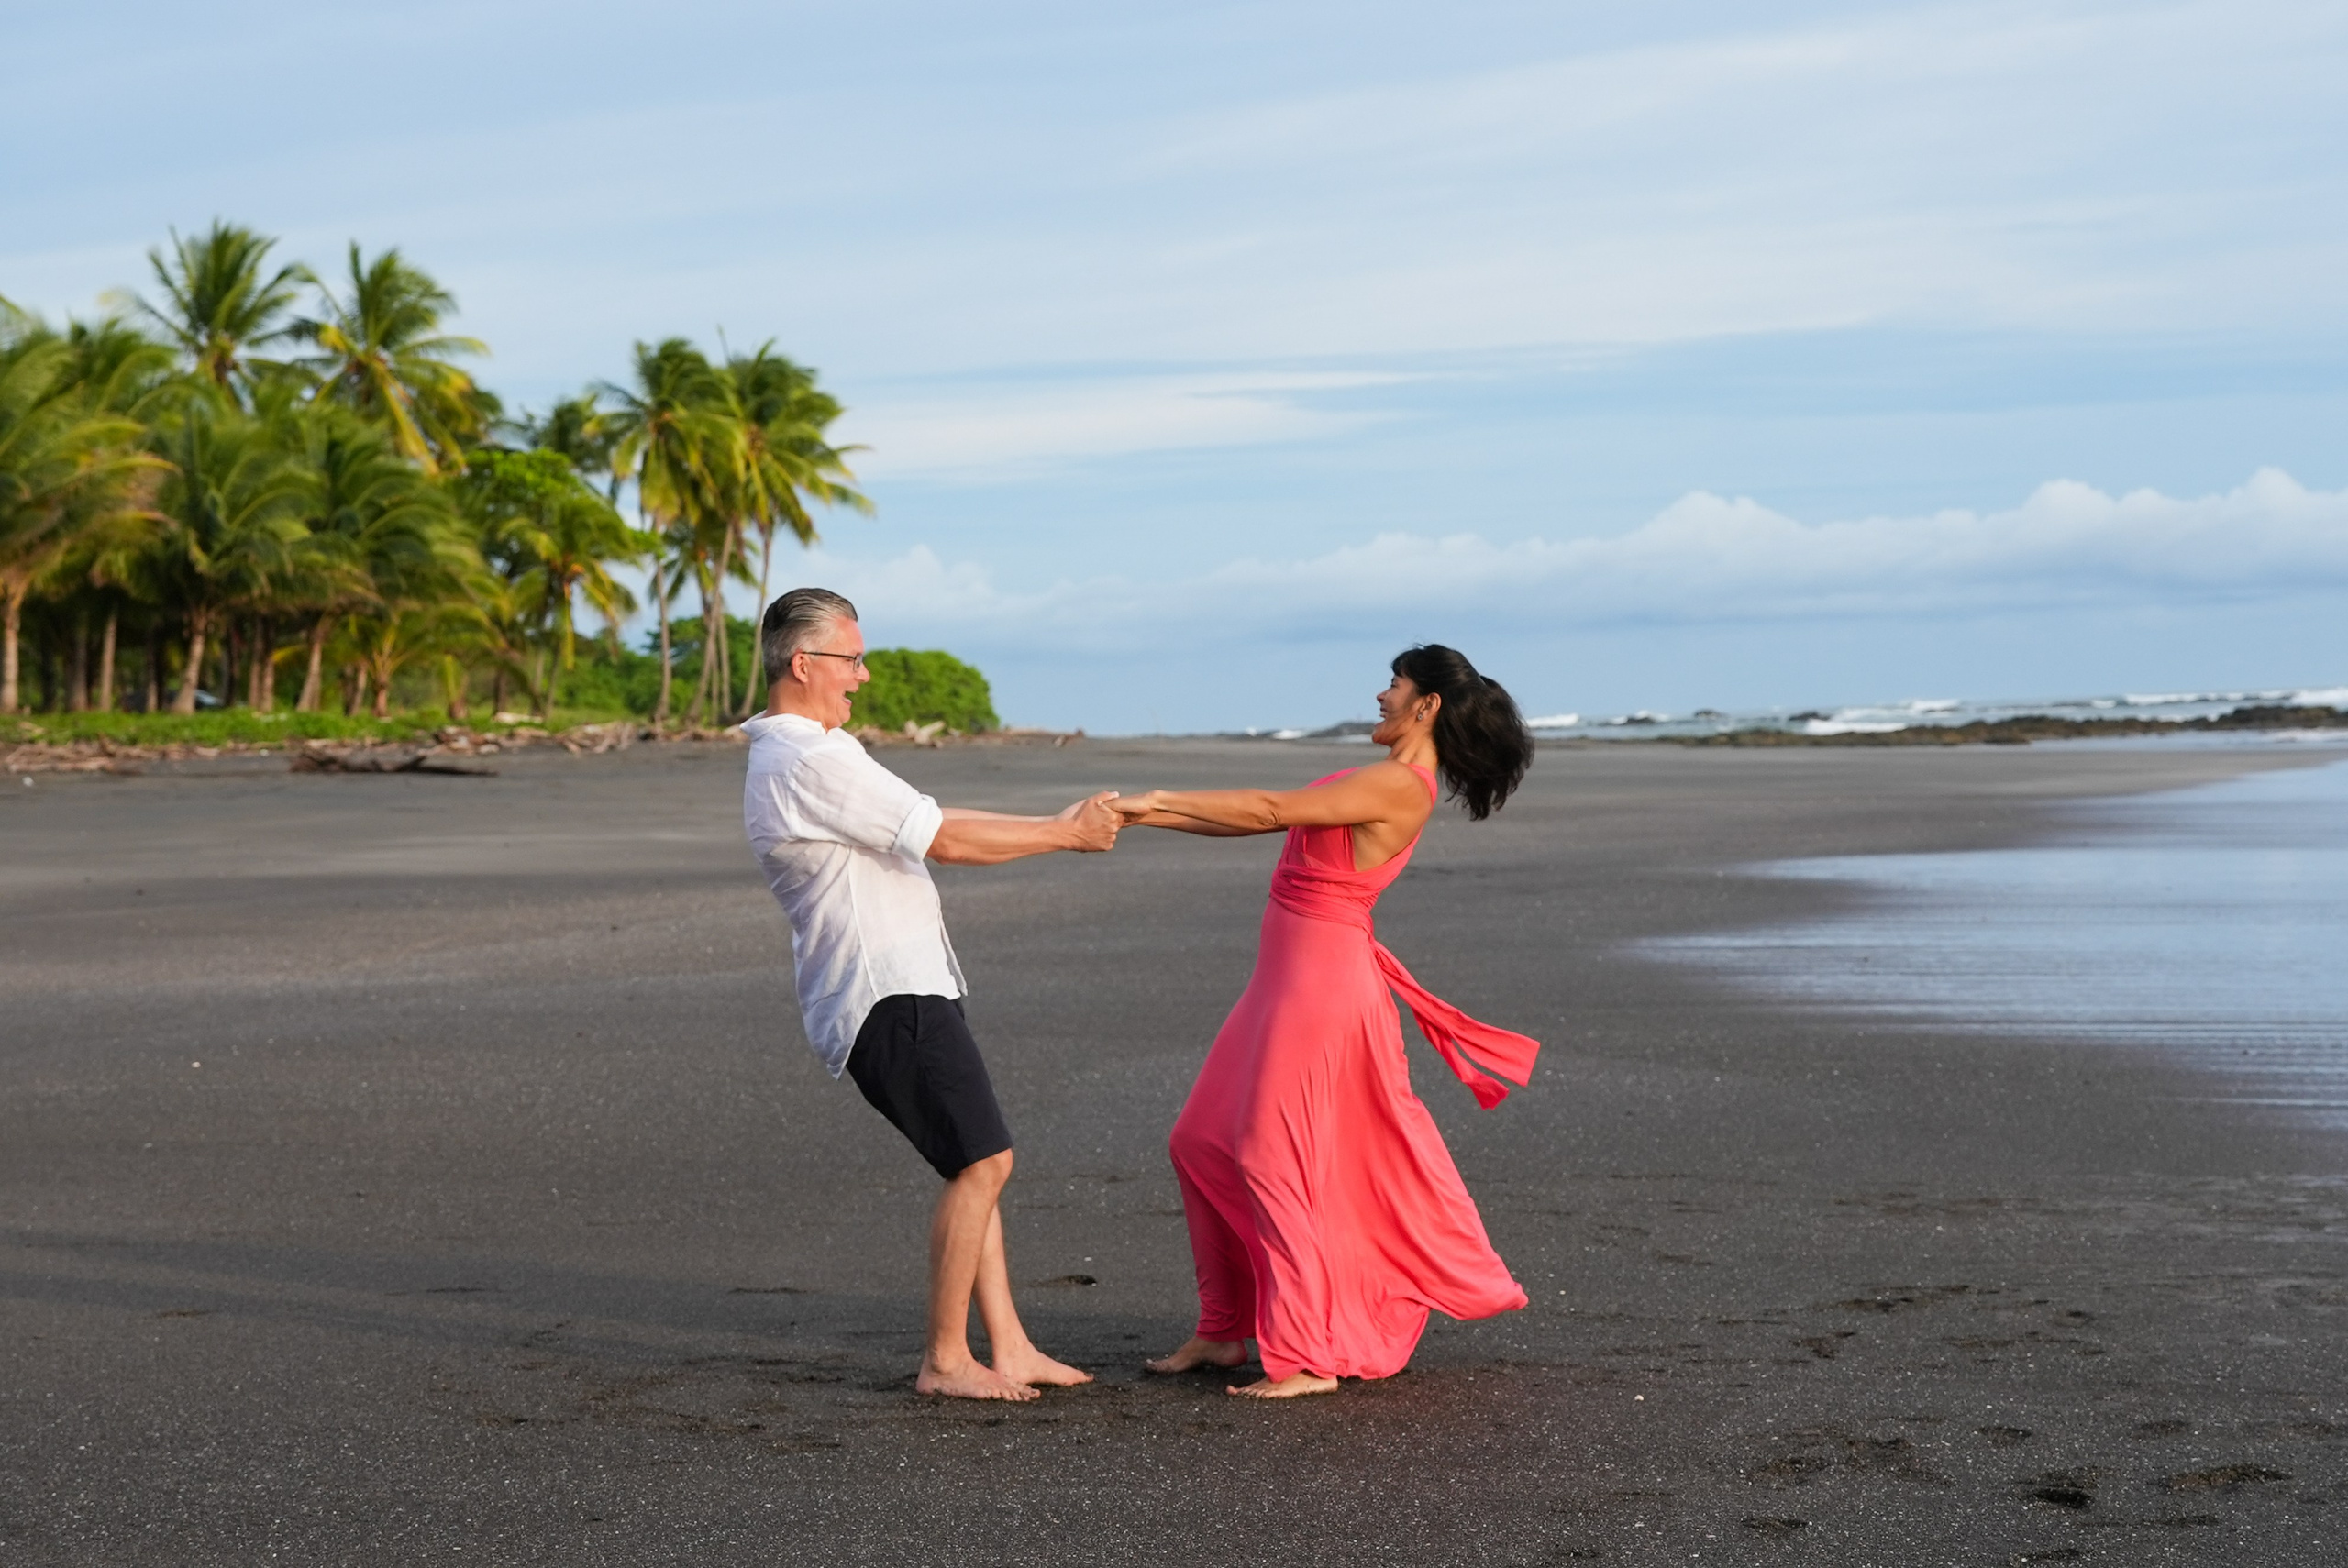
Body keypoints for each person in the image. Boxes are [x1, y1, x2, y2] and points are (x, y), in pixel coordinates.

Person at [1112, 644, 1542, 1397]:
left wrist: (1158, 796)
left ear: (1427, 704)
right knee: (1201, 1140)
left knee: (1270, 1156)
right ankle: (1222, 1331)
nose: (1381, 695)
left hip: (1323, 989)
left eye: (1395, 685)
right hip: (1282, 985)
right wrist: (1150, 817)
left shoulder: (1399, 785)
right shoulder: (1373, 775)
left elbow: (1271, 807)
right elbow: (1260, 824)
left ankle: (1309, 1355)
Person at [741, 587, 1122, 1403]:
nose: (863, 675)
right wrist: (1067, 832)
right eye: (850, 658)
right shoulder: (811, 758)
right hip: (885, 991)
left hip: (899, 985)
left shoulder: (800, 751)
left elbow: (927, 825)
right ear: (803, 664)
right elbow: (942, 836)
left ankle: (1009, 1345)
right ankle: (947, 1359)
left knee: (971, 1158)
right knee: (984, 1161)